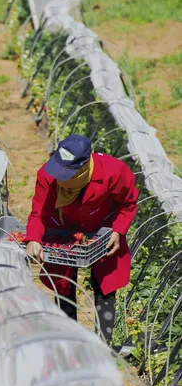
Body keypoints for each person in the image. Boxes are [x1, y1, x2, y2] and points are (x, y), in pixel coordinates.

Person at [25, 135, 139, 342]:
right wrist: (33, 238)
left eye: (66, 173)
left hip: (101, 231)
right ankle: (71, 339)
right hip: (62, 231)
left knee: (105, 283)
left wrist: (117, 230)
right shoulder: (47, 175)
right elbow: (39, 212)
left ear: (84, 166)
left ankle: (104, 341)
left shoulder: (113, 172)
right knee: (62, 281)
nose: (59, 177)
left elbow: (128, 203)